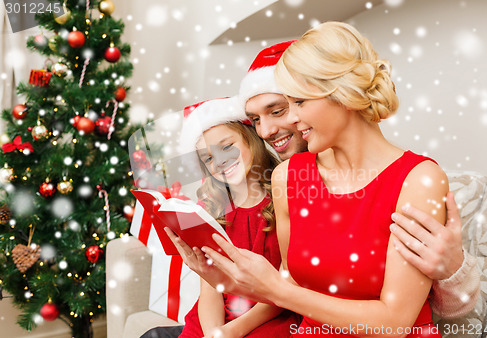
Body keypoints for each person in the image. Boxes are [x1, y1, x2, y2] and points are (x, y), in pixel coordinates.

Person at [194, 21, 462, 336]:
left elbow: (395, 322)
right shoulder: (287, 178)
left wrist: (277, 290)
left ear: (342, 94)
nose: (292, 118)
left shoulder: (418, 179)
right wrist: (223, 276)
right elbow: (292, 279)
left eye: (300, 102)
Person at [152, 97, 300, 338]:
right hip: (217, 319)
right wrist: (213, 332)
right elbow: (211, 290)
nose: (219, 161)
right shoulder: (210, 210)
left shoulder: (284, 198)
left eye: (227, 146)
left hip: (269, 316)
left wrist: (231, 331)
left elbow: (285, 289)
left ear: (250, 139)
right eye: (208, 158)